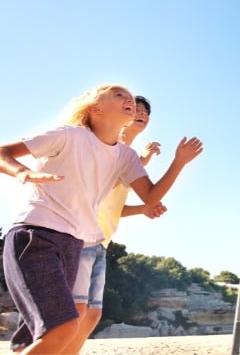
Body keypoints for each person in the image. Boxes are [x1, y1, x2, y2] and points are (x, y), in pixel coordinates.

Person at [0, 85, 203, 354]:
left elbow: (151, 196)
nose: (129, 98)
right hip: (36, 235)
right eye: (119, 94)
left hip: (74, 243)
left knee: (48, 333)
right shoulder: (68, 135)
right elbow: (4, 151)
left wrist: (178, 163)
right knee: (66, 325)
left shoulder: (126, 156)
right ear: (95, 108)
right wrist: (23, 173)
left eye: (130, 96)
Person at [65, 95, 168, 353]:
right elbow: (98, 187)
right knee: (75, 313)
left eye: (146, 111)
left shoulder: (129, 156)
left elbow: (114, 207)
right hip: (80, 236)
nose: (141, 113)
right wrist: (143, 163)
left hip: (101, 240)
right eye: (135, 109)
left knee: (91, 316)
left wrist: (143, 209)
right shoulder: (111, 147)